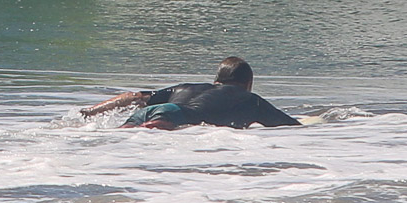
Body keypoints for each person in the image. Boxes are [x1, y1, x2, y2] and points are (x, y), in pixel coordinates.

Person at [80, 56, 299, 130]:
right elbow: (290, 127)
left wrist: (90, 112)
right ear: (248, 83)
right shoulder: (250, 100)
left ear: (216, 81)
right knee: (149, 132)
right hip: (175, 116)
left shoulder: (187, 87)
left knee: (123, 134)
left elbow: (134, 97)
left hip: (156, 110)